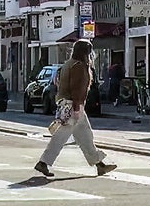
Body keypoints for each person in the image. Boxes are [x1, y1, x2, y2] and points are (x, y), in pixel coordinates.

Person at [34, 39, 117, 177]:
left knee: (86, 136)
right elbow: (77, 88)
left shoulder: (68, 64)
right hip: (73, 105)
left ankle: (99, 164)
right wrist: (78, 107)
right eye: (89, 51)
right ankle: (43, 162)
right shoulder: (79, 66)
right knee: (61, 137)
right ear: (85, 52)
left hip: (67, 104)